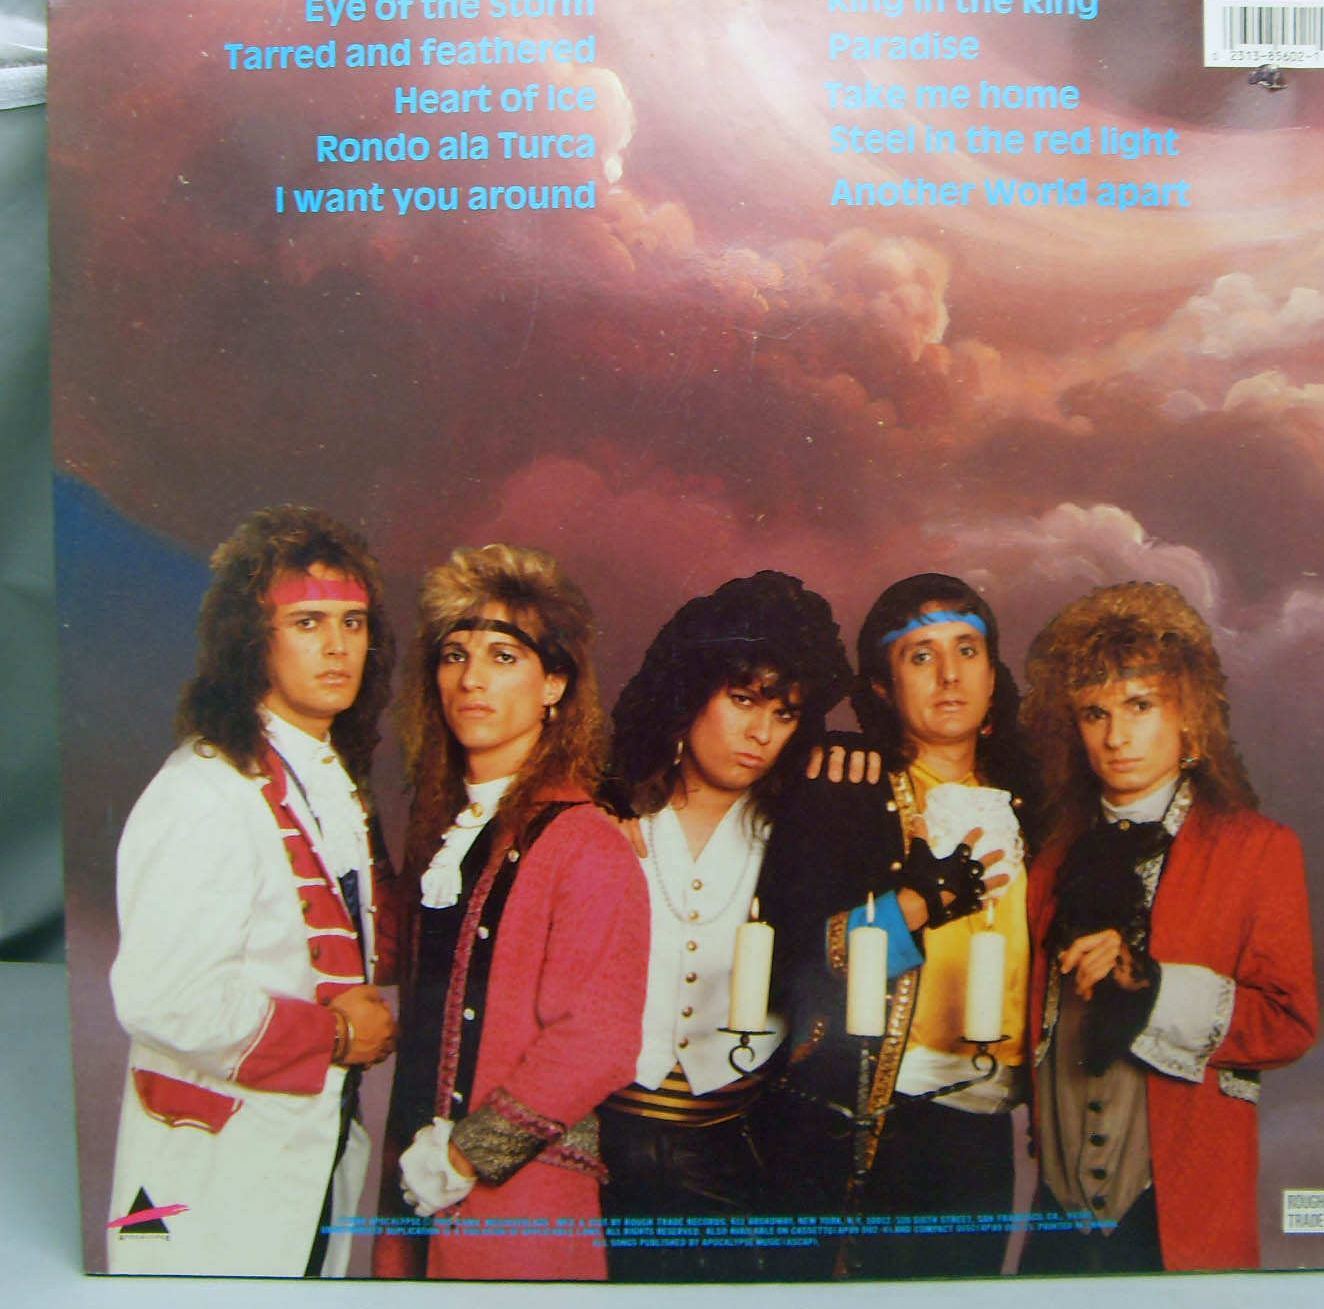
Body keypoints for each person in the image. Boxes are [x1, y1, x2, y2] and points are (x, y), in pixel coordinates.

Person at [106, 505, 398, 1277]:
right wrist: (333, 1037)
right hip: (210, 1173)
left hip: (306, 1153)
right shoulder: (204, 791)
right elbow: (164, 999)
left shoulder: (326, 780)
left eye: (353, 623)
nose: (337, 647)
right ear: (251, 639)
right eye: (307, 623)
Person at [1019, 581, 1317, 1273]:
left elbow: (1290, 1022)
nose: (1116, 736)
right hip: (1056, 1217)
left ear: (1190, 715)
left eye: (1140, 705)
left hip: (1182, 1211)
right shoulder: (1050, 863)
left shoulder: (1258, 849)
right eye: (1095, 713)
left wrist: (1150, 986)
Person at [373, 544, 650, 1281]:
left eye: (503, 657)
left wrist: (466, 1157)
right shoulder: (444, 835)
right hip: (414, 1202)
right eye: (454, 655)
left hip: (520, 1207)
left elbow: (597, 1041)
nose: (472, 679)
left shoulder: (587, 841)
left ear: (554, 683)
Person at [757, 574, 1036, 1279]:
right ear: (882, 687)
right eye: (920, 656)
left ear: (993, 675)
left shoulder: (1039, 807)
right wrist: (915, 904)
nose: (949, 675)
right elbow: (790, 965)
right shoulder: (846, 790)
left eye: (967, 650)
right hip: (871, 1114)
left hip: (987, 1124)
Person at [598, 571, 852, 1281]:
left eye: (784, 714)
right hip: (599, 1147)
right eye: (743, 700)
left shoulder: (798, 839)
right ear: (691, 694)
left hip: (734, 1152)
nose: (761, 734)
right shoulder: (611, 819)